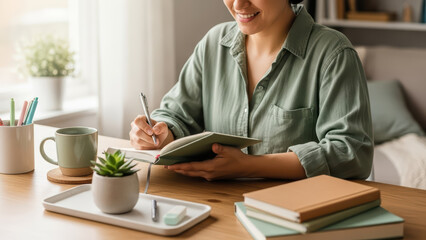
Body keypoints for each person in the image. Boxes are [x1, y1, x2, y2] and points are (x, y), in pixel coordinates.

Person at [129, 0, 373, 181]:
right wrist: (160, 133)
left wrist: (250, 165)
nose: (238, 4)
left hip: (294, 216)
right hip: (217, 209)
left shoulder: (334, 53)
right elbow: (177, 115)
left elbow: (351, 152)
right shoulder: (214, 43)